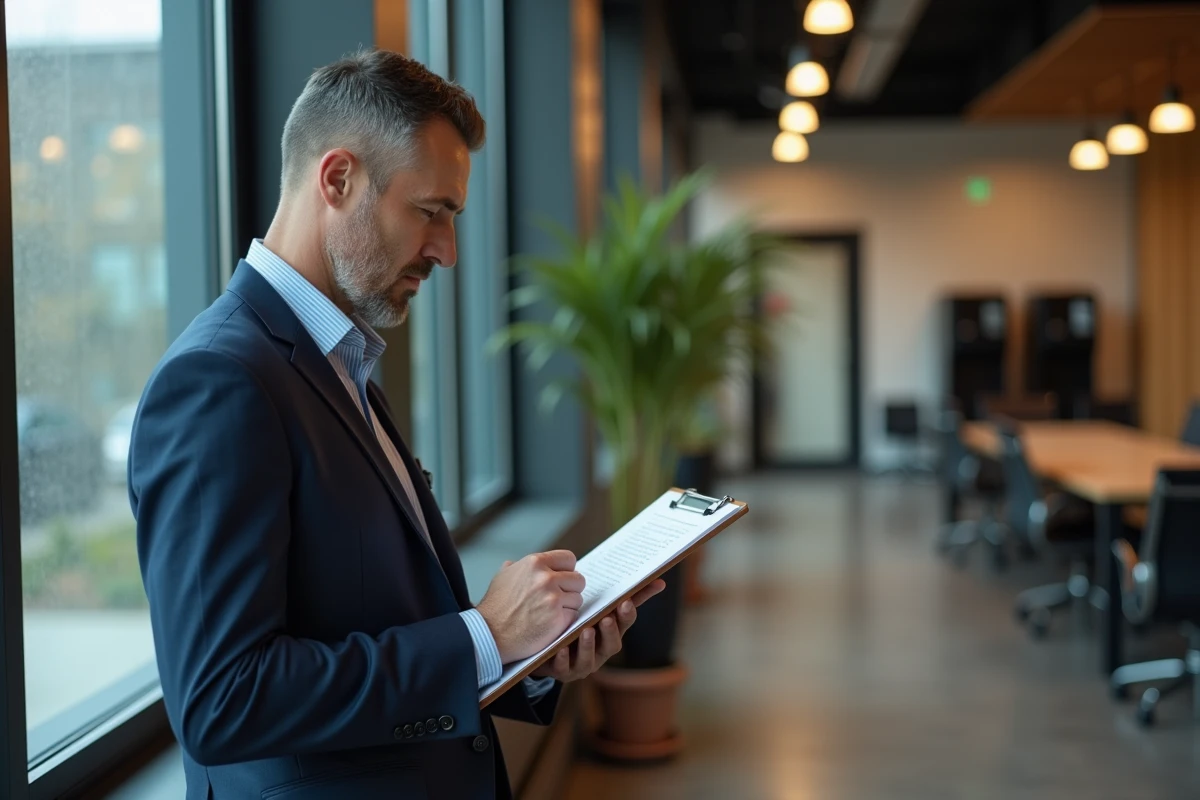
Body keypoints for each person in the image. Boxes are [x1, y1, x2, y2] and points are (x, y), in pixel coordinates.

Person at [129, 49, 664, 800]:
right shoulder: (220, 381)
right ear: (338, 179)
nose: (445, 251)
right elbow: (224, 701)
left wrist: (530, 657)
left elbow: (375, 615)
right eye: (431, 212)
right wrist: (483, 635)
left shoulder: (336, 363)